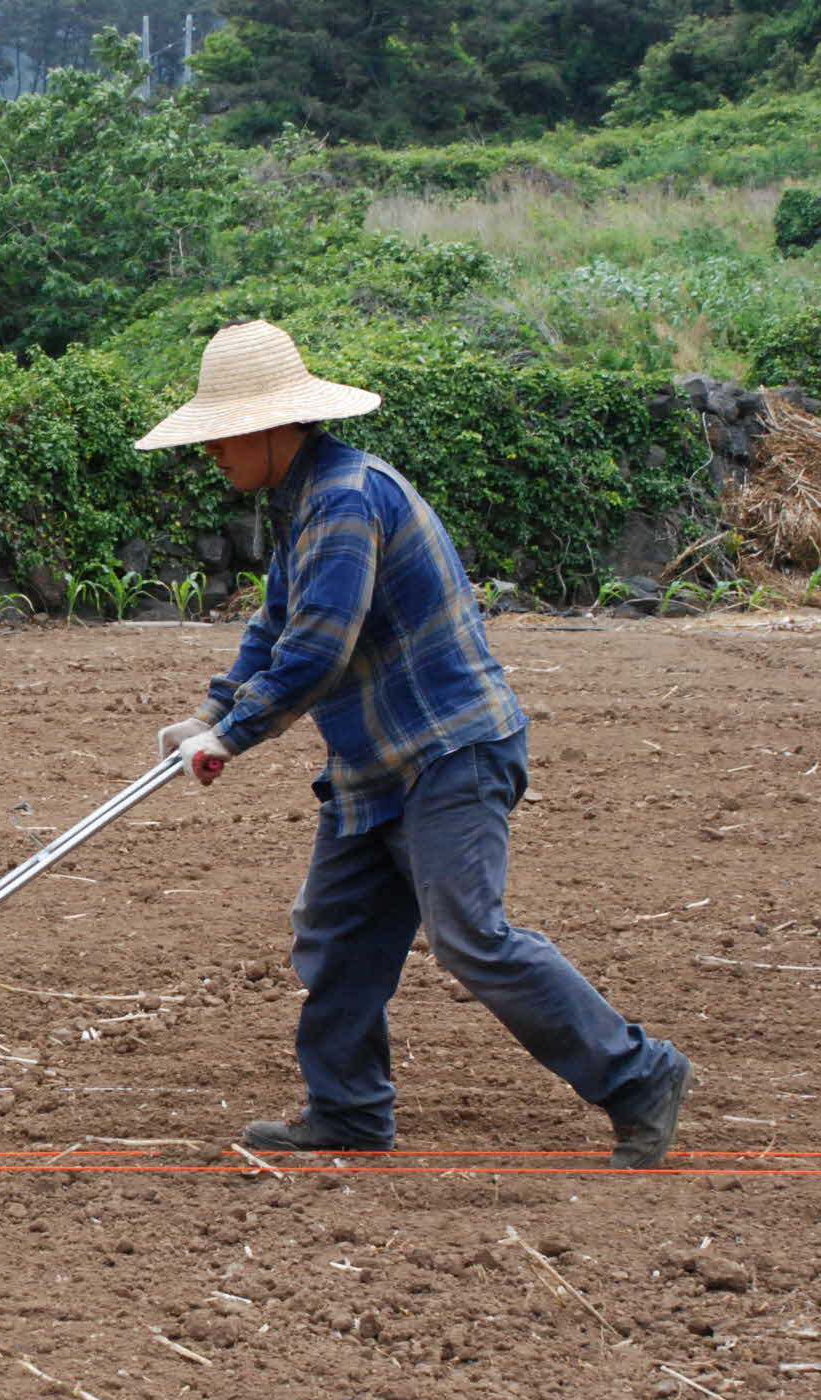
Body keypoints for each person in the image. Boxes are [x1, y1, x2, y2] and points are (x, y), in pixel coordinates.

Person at [138, 320, 691, 1168]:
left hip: (449, 751)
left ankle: (637, 1074)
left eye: (219, 435)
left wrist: (234, 735)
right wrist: (210, 711)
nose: (210, 453)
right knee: (337, 933)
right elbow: (275, 624)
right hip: (375, 766)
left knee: (470, 936)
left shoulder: (345, 498)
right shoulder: (304, 504)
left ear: (268, 426)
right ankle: (349, 1111)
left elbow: (318, 648)